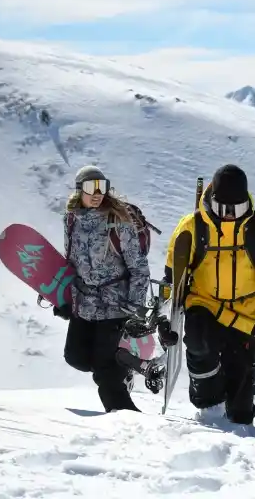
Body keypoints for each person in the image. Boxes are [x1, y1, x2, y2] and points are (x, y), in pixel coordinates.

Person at [163, 164, 255, 424]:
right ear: (212, 202)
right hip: (203, 303)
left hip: (245, 315)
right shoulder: (192, 227)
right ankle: (208, 408)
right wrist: (165, 319)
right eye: (224, 210)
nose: (231, 216)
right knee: (199, 341)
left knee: (239, 412)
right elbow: (171, 281)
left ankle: (237, 419)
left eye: (238, 209)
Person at [53, 165, 151, 413]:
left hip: (116, 305)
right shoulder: (72, 218)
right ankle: (123, 367)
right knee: (75, 357)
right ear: (79, 190)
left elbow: (139, 268)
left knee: (105, 372)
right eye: (90, 187)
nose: (97, 193)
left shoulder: (118, 221)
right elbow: (71, 262)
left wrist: (135, 310)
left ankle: (129, 421)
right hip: (84, 302)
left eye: (102, 187)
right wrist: (64, 299)